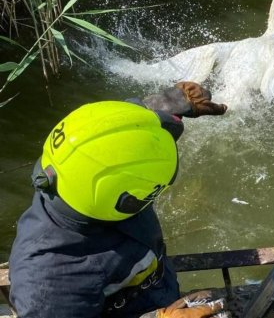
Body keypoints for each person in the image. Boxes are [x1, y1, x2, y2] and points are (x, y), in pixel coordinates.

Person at [8, 82, 227, 318]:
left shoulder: (84, 157)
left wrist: (166, 103)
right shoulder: (47, 284)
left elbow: (112, 126)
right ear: (126, 201)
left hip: (156, 286)